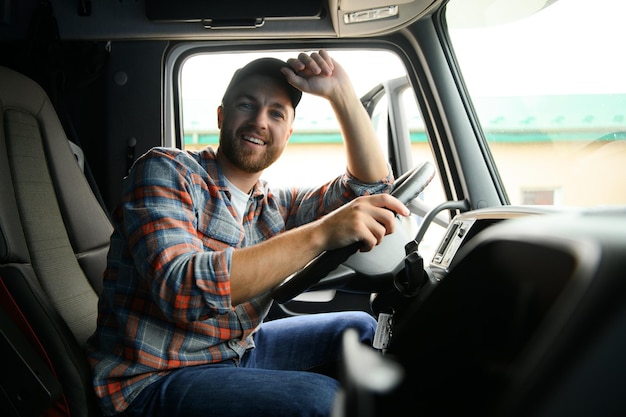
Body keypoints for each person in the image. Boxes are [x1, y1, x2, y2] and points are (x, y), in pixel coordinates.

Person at [86, 49, 409, 417]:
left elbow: (370, 188)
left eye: (276, 114)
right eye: (246, 105)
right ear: (222, 116)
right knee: (323, 400)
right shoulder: (166, 170)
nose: (259, 121)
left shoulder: (275, 205)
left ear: (288, 133)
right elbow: (183, 291)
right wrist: (322, 234)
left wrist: (342, 93)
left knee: (361, 330)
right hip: (151, 378)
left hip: (233, 353)